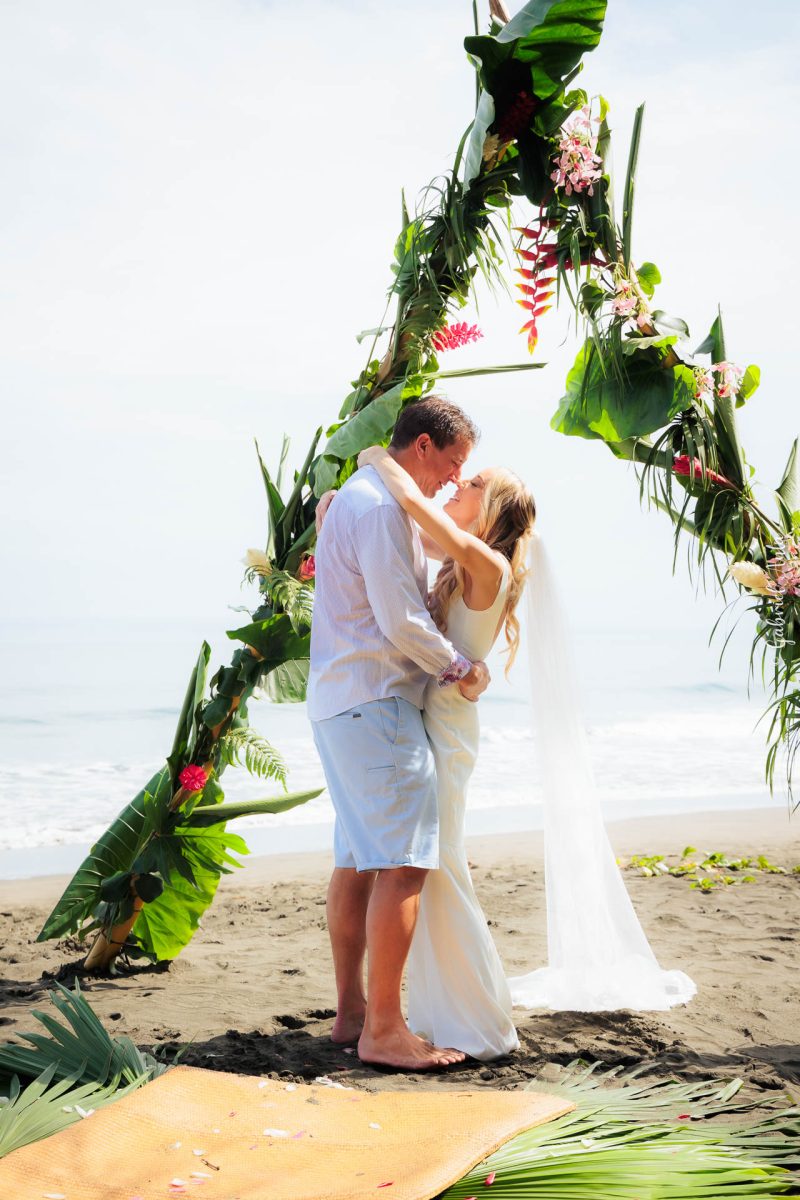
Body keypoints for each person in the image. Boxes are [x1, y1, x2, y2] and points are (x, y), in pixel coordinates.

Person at [306, 396, 491, 1071]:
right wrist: (461, 667)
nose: (452, 476)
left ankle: (353, 1011)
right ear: (422, 448)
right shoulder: (382, 507)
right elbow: (399, 619)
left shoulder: (360, 496)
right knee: (405, 863)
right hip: (375, 702)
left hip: (339, 700)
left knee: (357, 858)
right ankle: (383, 1029)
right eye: (453, 462)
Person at [356, 445, 534, 1060]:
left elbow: (410, 503)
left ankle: (480, 1023)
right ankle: (443, 1013)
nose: (457, 483)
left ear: (495, 510)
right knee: (432, 872)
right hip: (434, 716)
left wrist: (376, 456)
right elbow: (399, 541)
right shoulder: (462, 563)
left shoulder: (486, 562)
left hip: (448, 730)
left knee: (444, 869)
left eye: (474, 482)